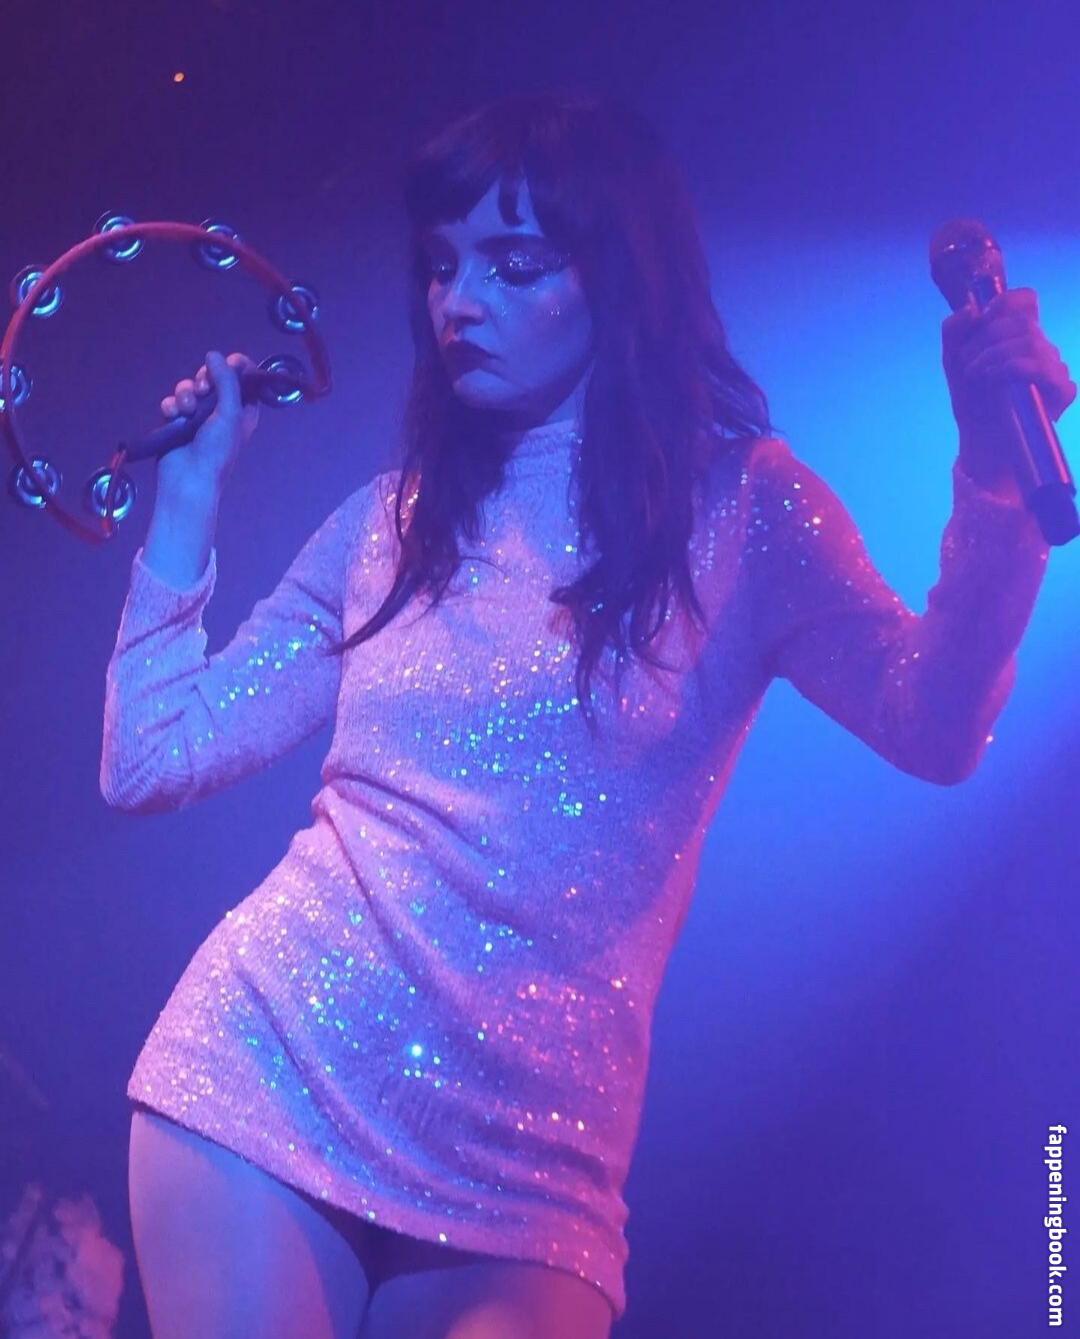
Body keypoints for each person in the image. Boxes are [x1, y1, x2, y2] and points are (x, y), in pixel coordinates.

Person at [101, 88, 1074, 1339]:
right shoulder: (390, 524)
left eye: (514, 266)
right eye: (442, 266)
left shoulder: (748, 510)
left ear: (619, 280)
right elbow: (149, 755)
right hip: (268, 1074)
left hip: (534, 1171)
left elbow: (934, 725)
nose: (460, 303)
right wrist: (188, 497)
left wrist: (995, 487)